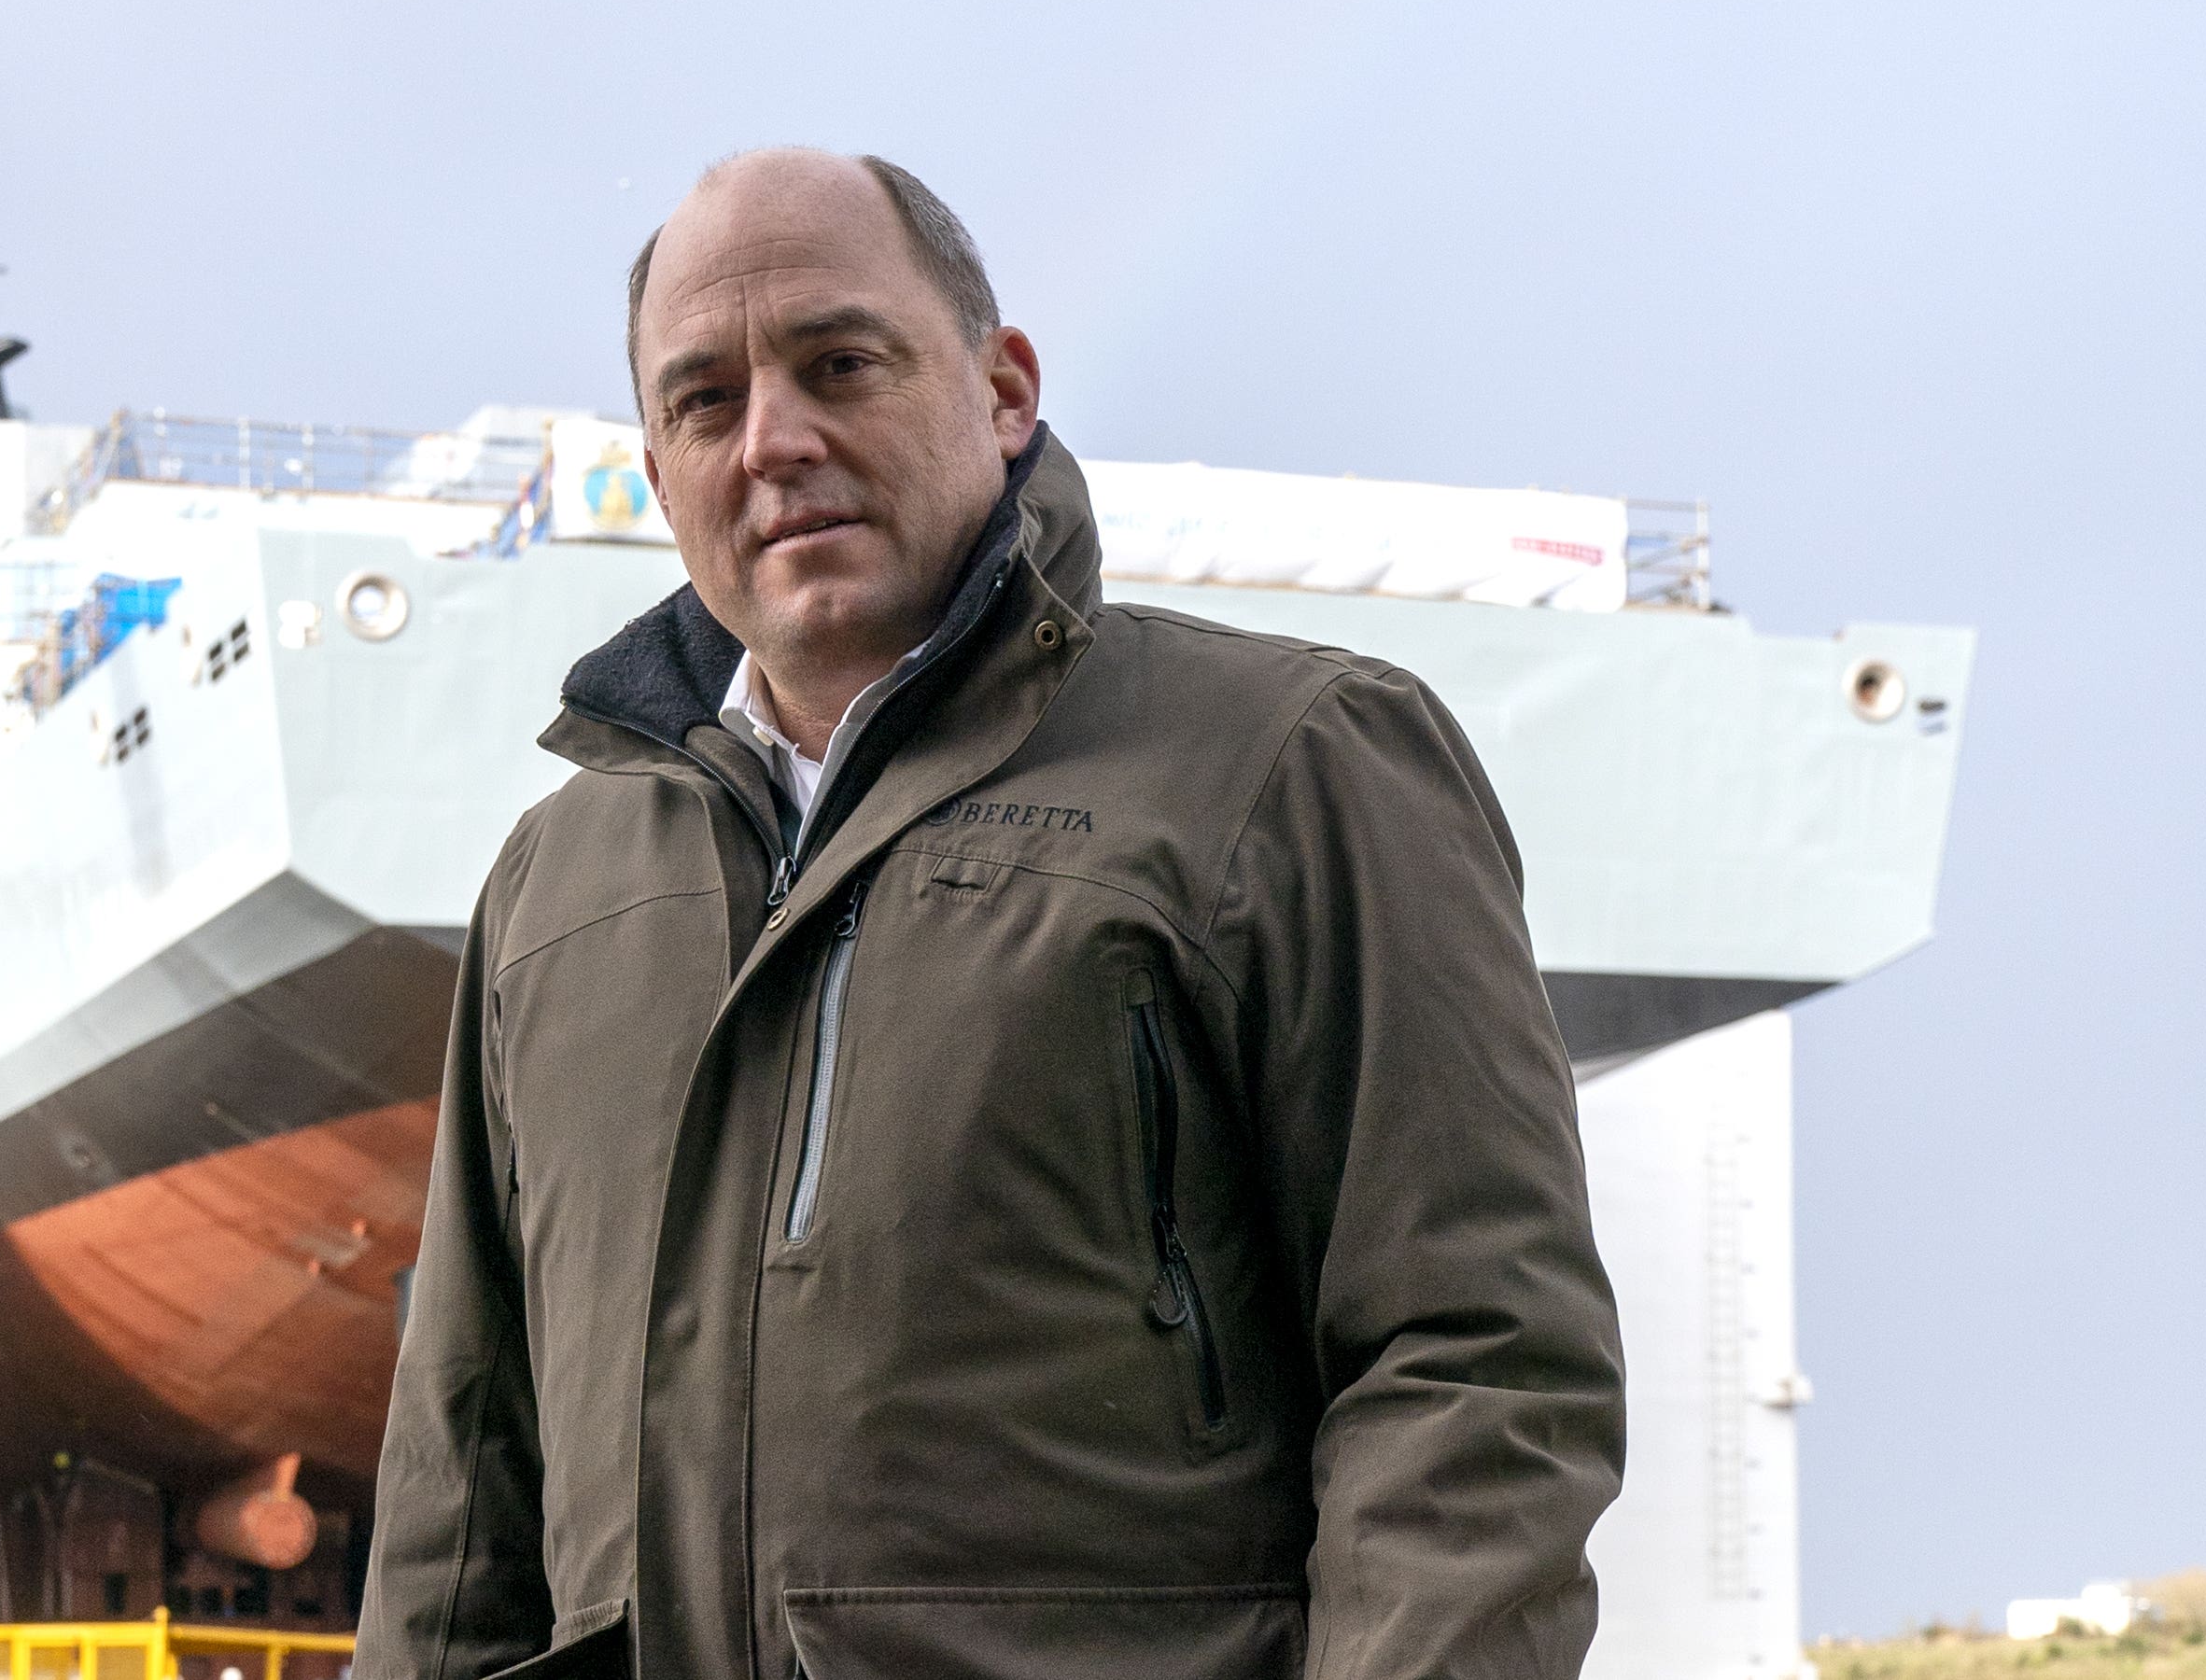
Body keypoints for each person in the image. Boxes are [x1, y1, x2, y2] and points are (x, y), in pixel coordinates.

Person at [355, 149, 1625, 1680]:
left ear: (1005, 388)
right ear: (657, 456)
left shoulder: (1293, 764)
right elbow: (461, 1478)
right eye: (704, 400)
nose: (774, 439)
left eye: (840, 363)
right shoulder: (559, 888)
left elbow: (1476, 1368)